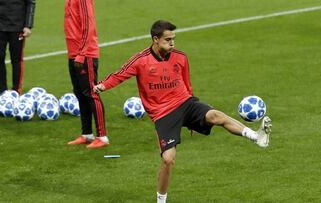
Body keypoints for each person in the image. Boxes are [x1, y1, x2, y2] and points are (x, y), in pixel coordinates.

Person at [94, 20, 272, 203]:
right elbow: (120, 74)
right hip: (163, 113)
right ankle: (161, 201)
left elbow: (187, 84)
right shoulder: (141, 60)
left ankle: (256, 136)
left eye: (174, 39)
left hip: (185, 102)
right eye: (168, 39)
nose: (172, 43)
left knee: (216, 115)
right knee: (168, 159)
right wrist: (102, 86)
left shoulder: (180, 57)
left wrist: (192, 115)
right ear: (155, 39)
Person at [64, 0, 109, 148]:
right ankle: (87, 134)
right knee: (79, 93)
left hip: (85, 54)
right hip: (73, 53)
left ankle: (102, 137)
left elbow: (88, 24)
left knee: (91, 93)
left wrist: (82, 53)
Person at [0, 0, 36, 102]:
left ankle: (16, 93)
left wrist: (28, 25)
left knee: (16, 60)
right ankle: (2, 92)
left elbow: (30, 2)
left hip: (17, 27)